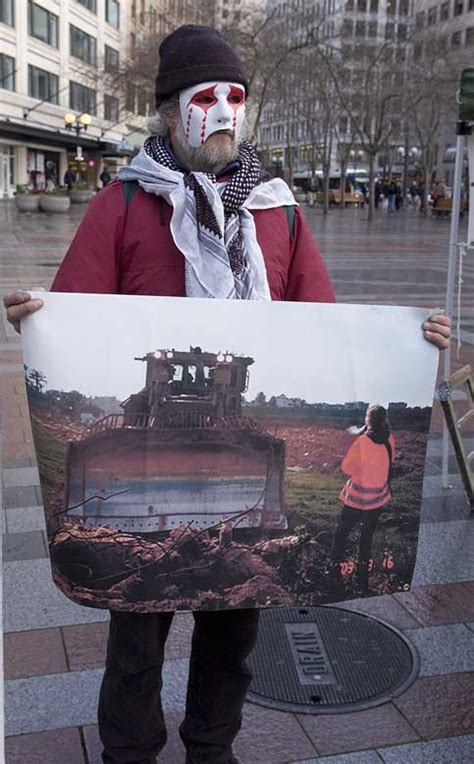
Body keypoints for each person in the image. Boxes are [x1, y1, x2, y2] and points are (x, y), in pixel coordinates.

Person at [3, 23, 452, 764]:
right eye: (205, 96)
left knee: (234, 634)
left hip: (235, 472)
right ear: (169, 110)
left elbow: (325, 327)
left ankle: (213, 748)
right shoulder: (119, 206)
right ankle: (130, 753)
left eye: (236, 97)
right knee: (136, 638)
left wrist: (410, 344)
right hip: (146, 467)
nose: (223, 111)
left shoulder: (279, 210)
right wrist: (36, 317)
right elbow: (75, 312)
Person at [331, 405, 395, 590]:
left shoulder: (363, 441)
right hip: (378, 499)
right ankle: (362, 578)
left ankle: (334, 570)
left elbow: (346, 468)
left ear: (368, 419)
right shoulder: (390, 439)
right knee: (366, 538)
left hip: (357, 497)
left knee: (342, 533)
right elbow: (389, 461)